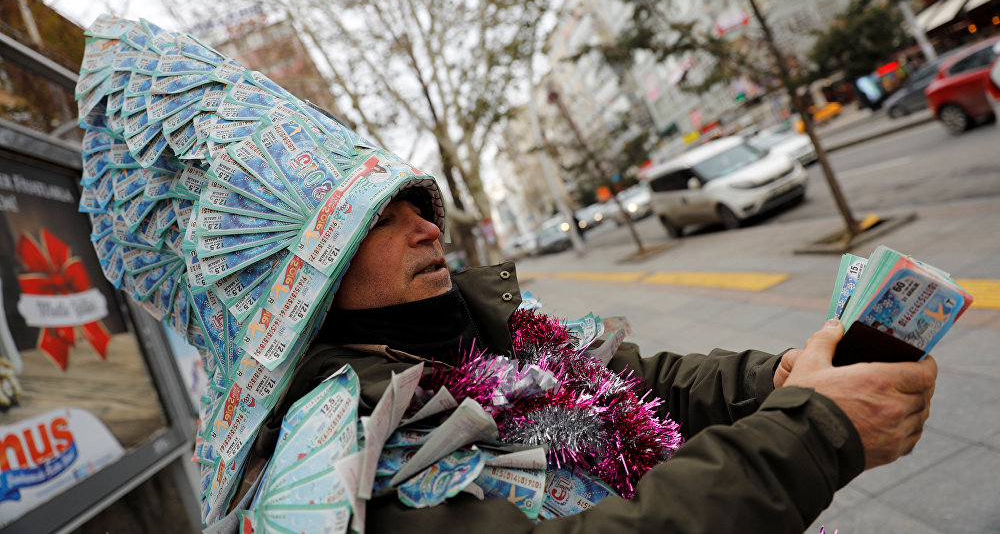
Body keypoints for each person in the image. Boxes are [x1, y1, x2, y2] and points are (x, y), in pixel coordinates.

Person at [236, 189, 937, 533]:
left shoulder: (502, 325)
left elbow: (641, 385)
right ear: (311, 272)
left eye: (419, 207)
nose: (426, 227)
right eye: (380, 221)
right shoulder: (341, 457)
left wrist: (773, 379)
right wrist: (811, 435)